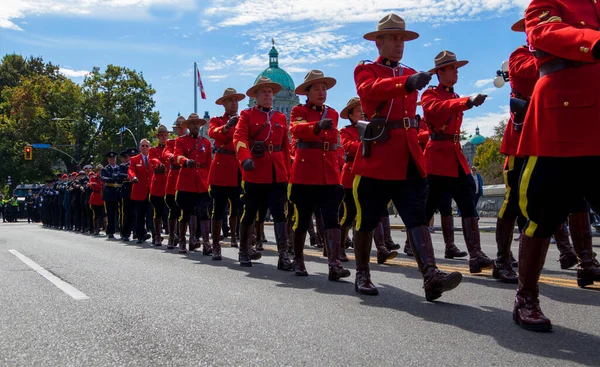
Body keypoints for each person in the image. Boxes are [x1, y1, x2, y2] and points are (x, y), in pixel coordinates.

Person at [352, 14, 462, 300]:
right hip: (378, 155)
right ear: (379, 41)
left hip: (408, 156)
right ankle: (362, 273)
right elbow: (369, 92)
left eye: (402, 38)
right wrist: (406, 83)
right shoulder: (366, 69)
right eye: (392, 38)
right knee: (366, 219)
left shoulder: (409, 70)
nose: (399, 43)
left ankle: (430, 275)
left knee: (416, 216)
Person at [512, 0, 600, 331]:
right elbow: (546, 31)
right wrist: (593, 41)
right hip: (560, 120)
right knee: (541, 214)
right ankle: (526, 296)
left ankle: (586, 262)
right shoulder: (549, 2)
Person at [421, 50, 493, 273]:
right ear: (440, 72)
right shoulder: (430, 95)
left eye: (457, 68)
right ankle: (419, 251)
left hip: (455, 155)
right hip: (437, 159)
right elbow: (436, 111)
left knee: (468, 202)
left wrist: (463, 101)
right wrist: (467, 102)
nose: (456, 72)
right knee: (428, 208)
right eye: (452, 68)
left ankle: (475, 255)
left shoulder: (454, 97)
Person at [288, 70, 349, 279]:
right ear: (307, 92)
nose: (322, 92)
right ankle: (298, 260)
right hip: (306, 172)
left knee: (332, 218)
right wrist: (315, 126)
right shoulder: (298, 110)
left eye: (324, 88)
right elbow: (296, 129)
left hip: (329, 172)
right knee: (303, 219)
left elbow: (333, 137)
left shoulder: (332, 113)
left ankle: (334, 265)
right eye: (317, 88)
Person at [233, 76, 291, 268]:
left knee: (279, 214)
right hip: (255, 170)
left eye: (270, 92)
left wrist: (287, 173)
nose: (268, 95)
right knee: (249, 212)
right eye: (264, 92)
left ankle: (283, 256)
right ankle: (244, 251)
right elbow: (239, 138)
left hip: (277, 172)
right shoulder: (247, 115)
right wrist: (245, 157)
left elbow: (285, 147)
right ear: (256, 96)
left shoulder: (280, 117)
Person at [339, 97, 398, 264]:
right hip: (351, 177)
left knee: (375, 213)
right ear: (350, 115)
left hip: (371, 175)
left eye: (363, 110)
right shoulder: (346, 131)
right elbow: (349, 146)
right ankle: (341, 246)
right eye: (358, 111)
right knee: (348, 216)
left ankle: (381, 249)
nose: (362, 113)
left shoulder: (374, 128)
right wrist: (370, 143)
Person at [208, 88, 245, 260]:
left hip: (238, 167)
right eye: (230, 100)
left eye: (236, 100)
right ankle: (216, 245)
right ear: (223, 103)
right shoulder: (216, 120)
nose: (233, 103)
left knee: (238, 206)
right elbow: (212, 133)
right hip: (222, 167)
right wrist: (226, 127)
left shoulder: (243, 120)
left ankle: (235, 237)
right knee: (219, 207)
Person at [174, 113, 213, 254]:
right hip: (186, 181)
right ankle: (183, 242)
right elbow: (177, 156)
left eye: (197, 123)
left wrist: (209, 181)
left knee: (204, 212)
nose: (195, 125)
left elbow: (209, 164)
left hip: (201, 182)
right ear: (188, 126)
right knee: (185, 213)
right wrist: (185, 161)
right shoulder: (181, 141)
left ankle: (206, 243)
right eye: (193, 123)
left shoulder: (206, 143)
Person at [163, 116, 187, 249]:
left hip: (186, 176)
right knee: (173, 208)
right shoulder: (171, 142)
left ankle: (185, 236)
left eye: (182, 126)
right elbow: (165, 153)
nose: (180, 128)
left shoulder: (191, 141)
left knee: (187, 209)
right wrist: (172, 157)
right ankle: (172, 235)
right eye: (178, 126)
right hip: (174, 176)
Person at [128, 139, 154, 244]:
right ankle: (140, 235)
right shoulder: (134, 159)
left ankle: (155, 234)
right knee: (140, 214)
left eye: (147, 146)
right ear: (139, 147)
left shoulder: (153, 159)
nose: (144, 147)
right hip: (139, 190)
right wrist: (133, 177)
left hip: (151, 190)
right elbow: (130, 170)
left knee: (151, 213)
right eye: (142, 145)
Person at [149, 125, 170, 246]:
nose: (163, 137)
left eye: (165, 134)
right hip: (157, 184)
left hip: (170, 184)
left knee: (172, 211)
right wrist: (159, 163)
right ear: (158, 137)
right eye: (161, 135)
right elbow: (153, 160)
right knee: (158, 211)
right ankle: (157, 235)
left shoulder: (172, 148)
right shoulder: (153, 150)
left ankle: (173, 234)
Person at [100, 151, 122, 239]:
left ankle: (121, 230)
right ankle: (110, 231)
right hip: (109, 192)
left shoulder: (119, 168)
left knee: (120, 213)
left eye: (114, 158)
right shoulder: (105, 169)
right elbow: (103, 178)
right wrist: (112, 179)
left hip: (119, 192)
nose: (112, 160)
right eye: (110, 158)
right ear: (108, 159)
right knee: (110, 214)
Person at [89, 166, 105, 236]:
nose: (100, 172)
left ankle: (105, 228)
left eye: (101, 170)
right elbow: (91, 184)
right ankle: (96, 229)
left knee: (104, 214)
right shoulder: (93, 178)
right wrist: (98, 185)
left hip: (102, 197)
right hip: (95, 197)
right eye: (99, 170)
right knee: (96, 214)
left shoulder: (104, 178)